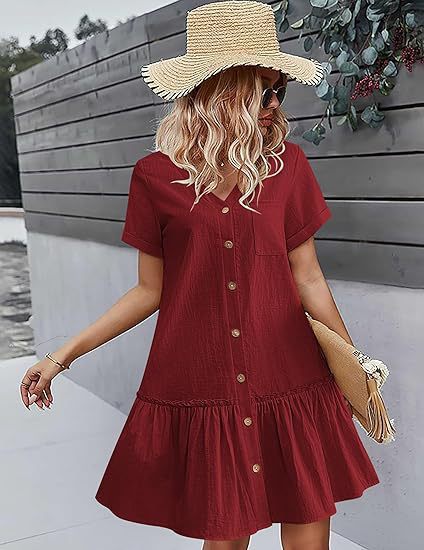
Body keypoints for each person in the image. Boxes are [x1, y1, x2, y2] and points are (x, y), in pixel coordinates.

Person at [19, 1, 380, 549]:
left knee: (309, 530)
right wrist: (60, 356)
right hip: (205, 381)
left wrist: (355, 368)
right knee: (226, 535)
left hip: (292, 378)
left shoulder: (288, 167)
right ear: (221, 90)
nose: (274, 105)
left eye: (279, 91)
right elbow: (149, 291)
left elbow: (308, 277)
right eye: (262, 91)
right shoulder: (154, 177)